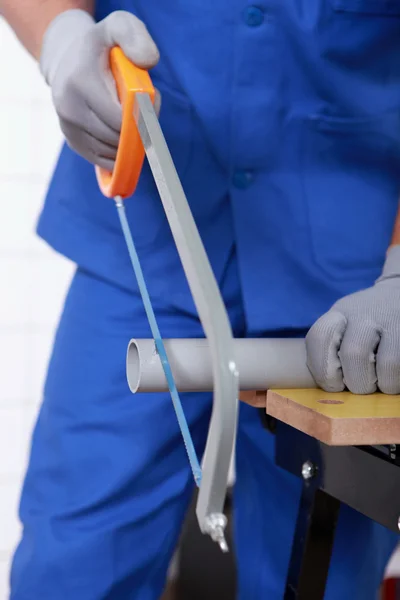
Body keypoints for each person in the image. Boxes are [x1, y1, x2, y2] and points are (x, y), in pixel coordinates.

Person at [2, 1, 400, 598]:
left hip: (353, 267)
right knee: (73, 565)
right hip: (147, 222)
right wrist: (61, 38)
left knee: (325, 573)